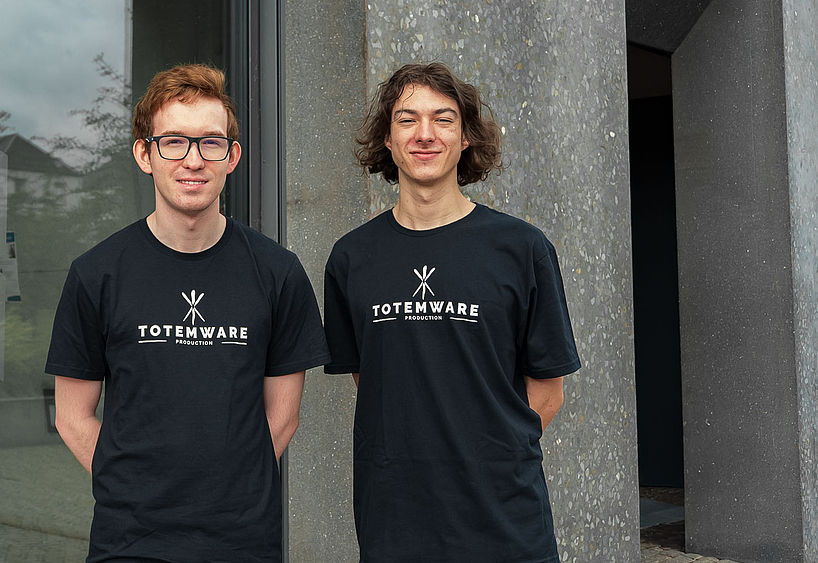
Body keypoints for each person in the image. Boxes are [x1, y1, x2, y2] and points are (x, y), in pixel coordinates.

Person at [46, 64, 330, 562]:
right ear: (144, 154)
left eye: (210, 142)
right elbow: (72, 418)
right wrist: (134, 490)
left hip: (243, 542)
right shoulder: (97, 274)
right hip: (129, 543)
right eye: (173, 141)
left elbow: (282, 418)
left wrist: (227, 491)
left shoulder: (277, 274)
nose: (192, 160)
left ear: (232, 156)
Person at [323, 62, 581, 562]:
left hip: (503, 516)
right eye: (407, 119)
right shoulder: (351, 258)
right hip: (394, 517)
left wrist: (488, 457)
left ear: (465, 139)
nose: (425, 134)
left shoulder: (522, 249)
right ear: (386, 140)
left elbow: (548, 391)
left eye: (443, 119)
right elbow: (371, 374)